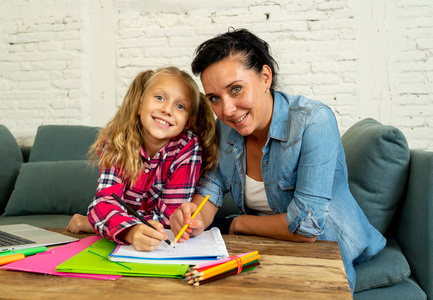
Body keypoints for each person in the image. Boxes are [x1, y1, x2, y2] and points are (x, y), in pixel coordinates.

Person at [169, 29, 386, 292]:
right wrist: (195, 218)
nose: (226, 110)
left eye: (236, 89)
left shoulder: (313, 121)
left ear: (265, 77)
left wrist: (239, 223)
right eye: (214, 98)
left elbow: (307, 227)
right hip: (259, 251)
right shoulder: (226, 128)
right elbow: (211, 189)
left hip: (324, 250)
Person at [67, 66, 218, 252]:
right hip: (134, 237)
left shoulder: (188, 148)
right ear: (139, 105)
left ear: (188, 121)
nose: (167, 110)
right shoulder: (116, 141)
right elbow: (103, 203)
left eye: (180, 106)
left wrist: (102, 224)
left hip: (154, 239)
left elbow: (170, 218)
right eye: (160, 98)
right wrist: (129, 232)